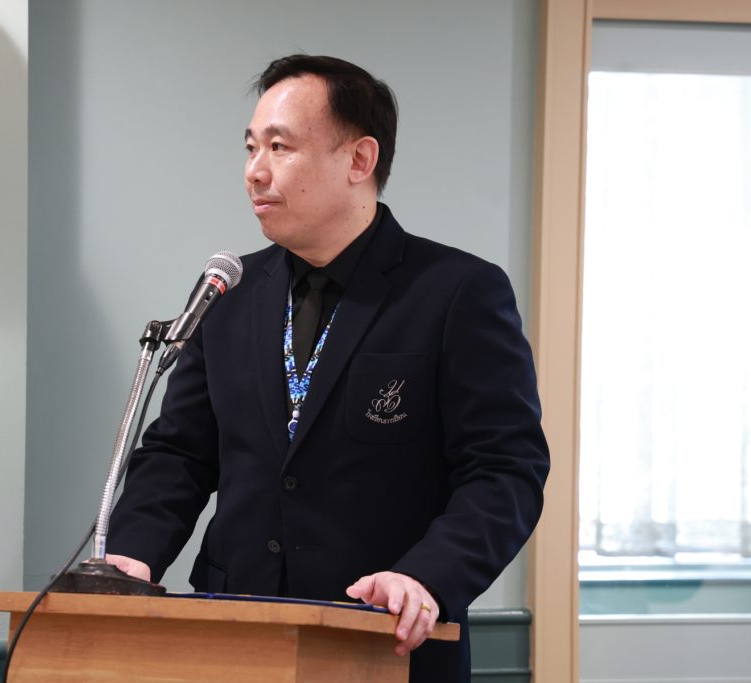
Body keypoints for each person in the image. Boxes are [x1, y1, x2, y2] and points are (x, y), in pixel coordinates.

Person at [105, 55, 550, 682]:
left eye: (280, 147)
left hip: (384, 641)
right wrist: (131, 555)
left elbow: (504, 469)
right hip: (232, 637)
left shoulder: (456, 292)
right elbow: (180, 453)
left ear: (359, 160)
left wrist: (426, 576)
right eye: (251, 148)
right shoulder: (228, 292)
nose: (255, 171)